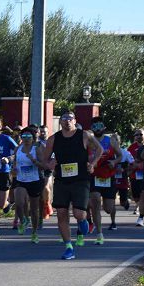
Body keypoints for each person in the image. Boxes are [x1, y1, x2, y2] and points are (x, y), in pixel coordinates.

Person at [42, 110, 102, 260]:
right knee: (61, 213)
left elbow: (99, 149)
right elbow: (44, 160)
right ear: (60, 122)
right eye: (64, 118)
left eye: (70, 118)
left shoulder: (84, 135)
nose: (67, 121)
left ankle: (83, 221)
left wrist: (92, 163)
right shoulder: (53, 139)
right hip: (62, 180)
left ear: (75, 121)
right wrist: (50, 164)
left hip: (81, 180)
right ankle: (69, 247)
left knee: (78, 214)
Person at [87, 120, 121, 245]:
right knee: (95, 202)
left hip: (108, 177)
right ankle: (99, 233)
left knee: (108, 208)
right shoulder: (88, 141)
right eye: (94, 126)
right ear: (91, 128)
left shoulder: (110, 140)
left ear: (104, 127)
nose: (97, 128)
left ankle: (99, 215)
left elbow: (120, 156)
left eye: (100, 126)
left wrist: (114, 162)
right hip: (94, 176)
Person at [11, 125, 46, 243]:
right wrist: (14, 169)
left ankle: (34, 232)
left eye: (28, 136)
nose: (26, 138)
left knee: (34, 209)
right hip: (21, 180)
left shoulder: (37, 149)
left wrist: (34, 160)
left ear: (33, 137)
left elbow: (43, 166)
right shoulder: (18, 148)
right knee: (19, 203)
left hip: (35, 180)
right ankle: (24, 220)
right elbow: (15, 164)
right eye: (23, 136)